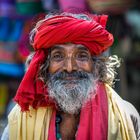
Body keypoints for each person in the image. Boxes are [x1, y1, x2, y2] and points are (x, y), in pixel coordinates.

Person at [1, 12, 140, 140]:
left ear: (96, 65)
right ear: (45, 67)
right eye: (58, 56)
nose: (69, 67)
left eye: (81, 56)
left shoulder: (125, 116)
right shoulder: (20, 119)